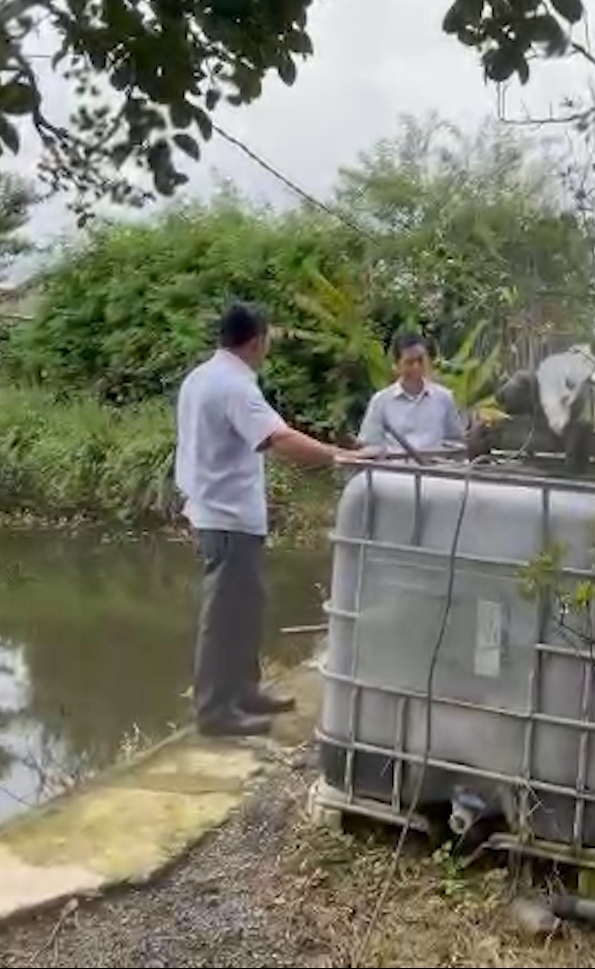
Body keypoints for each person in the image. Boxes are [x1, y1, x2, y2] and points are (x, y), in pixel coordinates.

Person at [174, 301, 370, 737]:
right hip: (225, 517)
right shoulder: (234, 386)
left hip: (220, 512)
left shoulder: (200, 378)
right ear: (257, 340)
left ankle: (243, 692)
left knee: (246, 608)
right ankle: (214, 711)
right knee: (224, 615)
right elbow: (278, 439)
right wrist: (344, 456)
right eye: (268, 340)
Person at [357, 331, 467, 455]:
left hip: (435, 470)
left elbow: (455, 441)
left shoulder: (444, 398)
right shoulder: (381, 401)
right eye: (410, 362)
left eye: (420, 361)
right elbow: (370, 444)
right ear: (396, 366)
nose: (416, 367)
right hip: (392, 471)